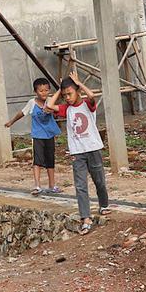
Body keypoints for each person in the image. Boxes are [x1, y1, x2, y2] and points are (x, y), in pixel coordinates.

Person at [47, 71, 111, 234]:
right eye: (65, 95)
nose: (67, 97)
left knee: (99, 181)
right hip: (77, 152)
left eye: (70, 94)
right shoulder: (65, 109)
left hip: (93, 148)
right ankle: (86, 217)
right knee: (80, 186)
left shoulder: (87, 106)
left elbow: (91, 96)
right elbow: (49, 106)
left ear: (77, 92)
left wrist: (79, 82)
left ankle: (103, 205)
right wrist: (59, 90)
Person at [4, 77, 62, 195]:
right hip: (38, 136)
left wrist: (60, 90)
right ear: (35, 92)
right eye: (41, 91)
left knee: (50, 160)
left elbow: (58, 111)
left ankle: (52, 185)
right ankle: (37, 186)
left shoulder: (50, 101)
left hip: (50, 135)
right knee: (38, 161)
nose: (44, 93)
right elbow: (22, 113)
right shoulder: (32, 103)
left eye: (46, 90)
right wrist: (11, 122)